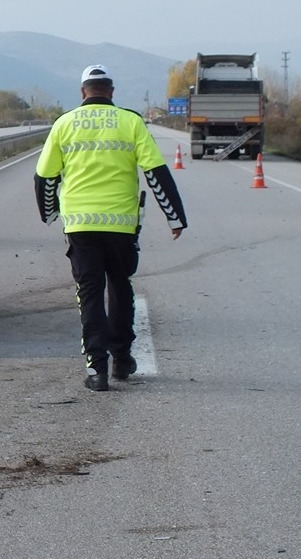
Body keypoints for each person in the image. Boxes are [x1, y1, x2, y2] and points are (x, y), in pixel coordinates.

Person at [34, 64, 187, 392]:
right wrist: (175, 217)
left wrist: (48, 213)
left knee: (88, 292)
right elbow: (156, 173)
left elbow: (45, 177)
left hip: (80, 224)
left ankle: (96, 368)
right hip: (121, 224)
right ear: (111, 92)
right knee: (120, 286)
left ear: (82, 92)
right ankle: (121, 360)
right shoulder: (130, 121)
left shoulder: (64, 124)